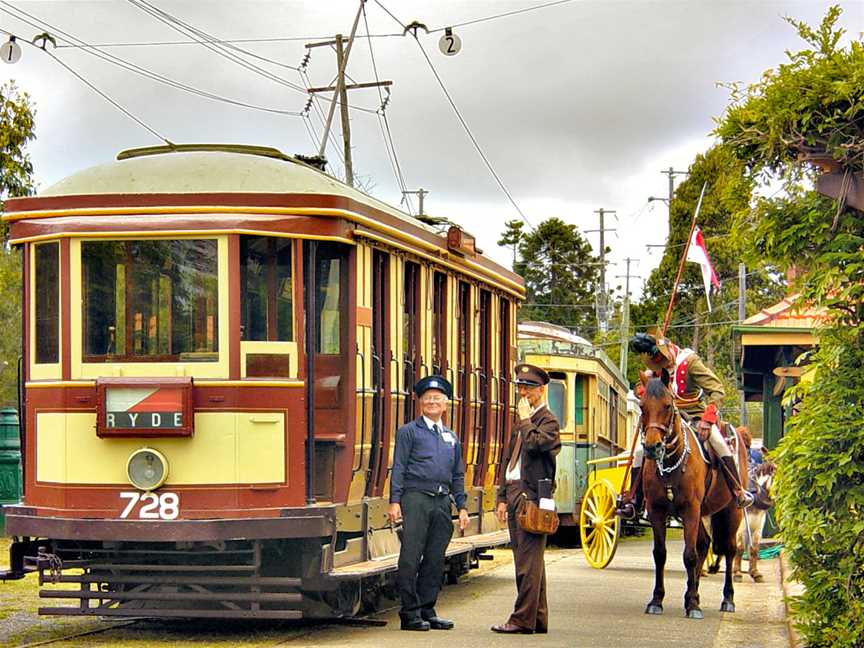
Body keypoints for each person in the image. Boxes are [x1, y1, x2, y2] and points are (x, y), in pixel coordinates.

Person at [618, 333, 753, 519]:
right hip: (666, 420)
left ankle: (738, 491)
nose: (660, 367)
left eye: (662, 362)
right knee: (642, 452)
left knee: (718, 442)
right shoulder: (657, 369)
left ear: (669, 352)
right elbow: (641, 389)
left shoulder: (690, 363)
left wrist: (708, 418)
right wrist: (644, 389)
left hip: (695, 417)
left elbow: (717, 389)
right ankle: (635, 500)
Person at [388, 375, 470, 632]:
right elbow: (399, 468)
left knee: (435, 558)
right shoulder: (408, 432)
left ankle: (427, 608)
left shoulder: (451, 436)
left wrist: (462, 505)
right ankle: (409, 613)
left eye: (437, 399)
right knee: (410, 557)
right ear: (420, 403)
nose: (432, 402)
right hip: (415, 499)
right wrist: (395, 501)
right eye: (427, 399)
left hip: (442, 501)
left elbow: (457, 474)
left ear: (446, 405)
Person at [491, 363, 561, 635]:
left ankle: (521, 619)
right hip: (513, 491)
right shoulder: (523, 422)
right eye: (520, 388)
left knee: (527, 564)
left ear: (541, 390)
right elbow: (508, 461)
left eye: (528, 388)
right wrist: (501, 497)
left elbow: (534, 445)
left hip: (532, 497)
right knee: (530, 561)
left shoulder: (548, 422)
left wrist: (525, 421)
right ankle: (538, 618)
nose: (523, 393)